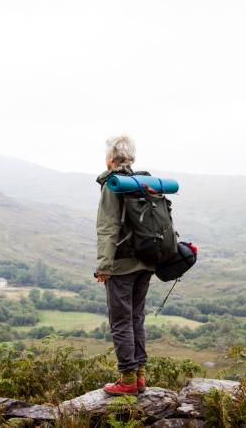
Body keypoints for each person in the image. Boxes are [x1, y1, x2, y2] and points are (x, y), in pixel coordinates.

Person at [95, 135, 156, 396]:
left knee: (120, 322)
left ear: (110, 158)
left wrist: (104, 266)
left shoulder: (114, 184)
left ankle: (128, 379)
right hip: (146, 261)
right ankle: (140, 376)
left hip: (122, 265)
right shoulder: (143, 181)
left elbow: (108, 227)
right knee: (136, 319)